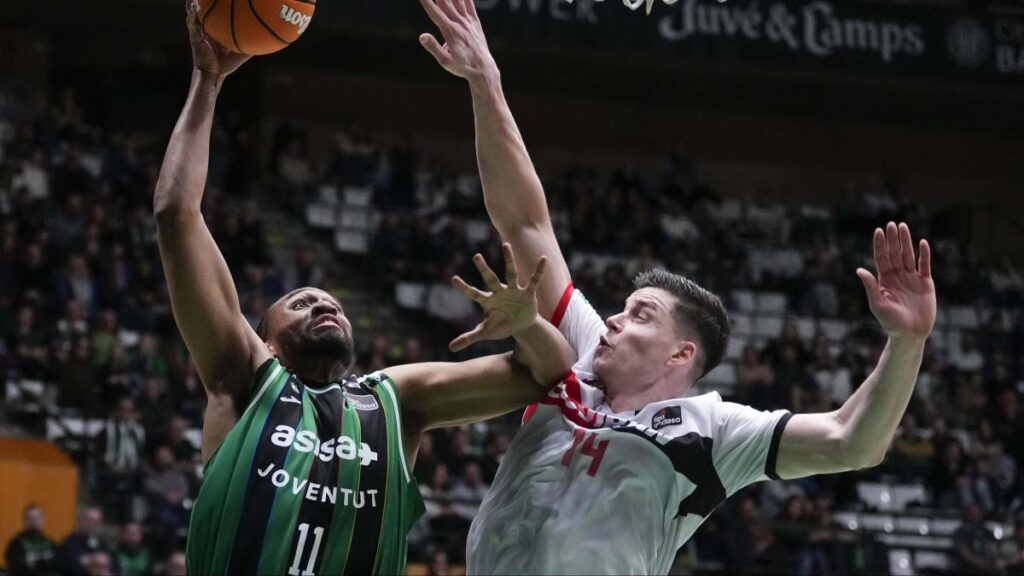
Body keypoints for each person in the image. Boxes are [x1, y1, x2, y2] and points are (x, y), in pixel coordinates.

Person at [417, 0, 937, 573]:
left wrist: (908, 342)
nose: (613, 320)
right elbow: (524, 223)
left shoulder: (716, 432)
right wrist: (485, 84)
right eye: (621, 310)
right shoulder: (585, 354)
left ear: (682, 352)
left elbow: (850, 440)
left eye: (639, 315)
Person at [155, 3, 574, 575]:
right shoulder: (245, 376)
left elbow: (550, 373)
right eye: (300, 303)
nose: (325, 302)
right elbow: (177, 216)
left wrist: (527, 324)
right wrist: (207, 81)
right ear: (269, 342)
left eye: (332, 303)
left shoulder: (394, 399)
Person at [4, 504, 57, 576]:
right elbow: (19, 569)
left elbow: (60, 566)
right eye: (30, 519)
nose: (33, 522)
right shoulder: (15, 545)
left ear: (43, 521)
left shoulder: (51, 544)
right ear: (24, 522)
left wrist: (35, 564)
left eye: (36, 518)